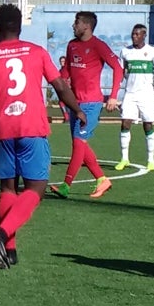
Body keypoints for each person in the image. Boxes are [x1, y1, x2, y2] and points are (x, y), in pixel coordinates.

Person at [0, 3, 83, 268]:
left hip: (2, 129)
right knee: (36, 188)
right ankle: (2, 234)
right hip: (32, 127)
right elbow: (59, 85)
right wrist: (77, 110)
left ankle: (10, 251)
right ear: (20, 27)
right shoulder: (36, 52)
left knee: (7, 188)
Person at [51, 11, 122, 199]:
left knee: (78, 143)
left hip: (91, 103)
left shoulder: (98, 45)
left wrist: (113, 96)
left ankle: (66, 186)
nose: (73, 26)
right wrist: (61, 83)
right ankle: (102, 179)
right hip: (75, 103)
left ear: (87, 26)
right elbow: (66, 71)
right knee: (81, 145)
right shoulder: (72, 45)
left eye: (77, 22)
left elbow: (118, 68)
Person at [116, 23, 154, 171]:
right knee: (125, 124)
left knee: (147, 125)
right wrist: (116, 93)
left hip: (146, 95)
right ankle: (124, 159)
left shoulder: (153, 52)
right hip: (130, 93)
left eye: (137, 34)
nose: (134, 37)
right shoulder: (125, 52)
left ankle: (150, 160)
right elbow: (121, 72)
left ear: (144, 35)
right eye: (133, 34)